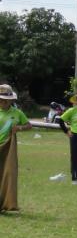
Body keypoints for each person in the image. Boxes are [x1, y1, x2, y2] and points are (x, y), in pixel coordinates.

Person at [0, 84, 31, 212]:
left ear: (10, 100)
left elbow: (28, 125)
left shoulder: (17, 113)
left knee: (7, 174)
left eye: (4, 99)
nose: (2, 102)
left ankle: (6, 202)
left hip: (8, 148)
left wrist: (19, 128)